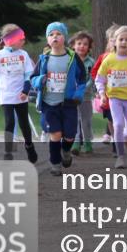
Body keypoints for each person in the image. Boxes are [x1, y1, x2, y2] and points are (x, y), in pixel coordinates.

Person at [31, 22, 88, 176]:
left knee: (69, 135)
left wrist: (78, 94)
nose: (54, 37)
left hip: (69, 103)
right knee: (55, 134)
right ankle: (55, 163)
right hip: (49, 104)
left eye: (58, 34)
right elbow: (33, 79)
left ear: (65, 37)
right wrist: (40, 80)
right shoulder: (44, 58)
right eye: (51, 34)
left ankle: (66, 150)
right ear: (47, 40)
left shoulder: (72, 57)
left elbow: (83, 78)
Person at [0, 24, 38, 163]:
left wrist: (25, 91)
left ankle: (29, 145)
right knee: (10, 122)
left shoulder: (23, 55)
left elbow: (28, 75)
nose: (24, 41)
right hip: (6, 95)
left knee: (24, 123)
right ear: (12, 40)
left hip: (21, 94)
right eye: (21, 38)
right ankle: (8, 151)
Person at [96, 25, 127, 168]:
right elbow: (100, 79)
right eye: (121, 39)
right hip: (114, 98)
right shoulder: (109, 59)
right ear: (114, 41)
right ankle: (120, 157)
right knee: (118, 124)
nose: (124, 42)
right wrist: (102, 94)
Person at [69, 31, 96, 154]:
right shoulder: (70, 60)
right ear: (73, 45)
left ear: (89, 47)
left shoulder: (91, 62)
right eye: (79, 43)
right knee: (74, 120)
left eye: (85, 44)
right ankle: (75, 143)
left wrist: (83, 88)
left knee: (86, 120)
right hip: (72, 96)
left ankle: (87, 143)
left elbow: (92, 78)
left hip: (85, 96)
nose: (82, 46)